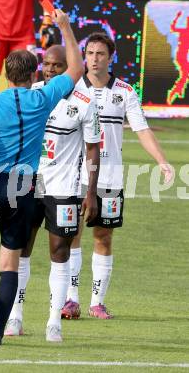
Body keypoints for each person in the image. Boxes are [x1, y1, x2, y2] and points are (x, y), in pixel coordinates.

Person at [0, 9, 84, 347]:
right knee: (9, 259)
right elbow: (76, 69)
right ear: (34, 74)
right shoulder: (42, 99)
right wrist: (66, 28)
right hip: (25, 186)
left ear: (7, 75)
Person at [61, 32, 173, 320]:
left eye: (100, 54)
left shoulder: (124, 91)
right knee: (71, 235)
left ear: (110, 58)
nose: (94, 59)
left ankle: (96, 302)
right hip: (75, 175)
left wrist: (161, 161)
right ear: (84, 57)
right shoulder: (71, 88)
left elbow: (142, 130)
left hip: (110, 177)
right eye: (90, 54)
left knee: (104, 237)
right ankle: (71, 299)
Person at [4, 44, 101, 342]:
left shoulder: (85, 101)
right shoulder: (31, 92)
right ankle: (15, 317)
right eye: (46, 64)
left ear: (68, 68)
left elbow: (92, 147)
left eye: (57, 65)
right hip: (29, 183)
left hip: (64, 189)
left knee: (59, 252)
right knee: (21, 248)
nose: (49, 70)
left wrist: (92, 192)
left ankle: (52, 322)